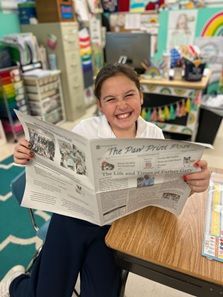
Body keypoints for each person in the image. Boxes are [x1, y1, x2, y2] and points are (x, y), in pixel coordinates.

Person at [0, 63, 211, 297]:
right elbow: (52, 165)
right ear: (100, 105)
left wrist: (193, 184)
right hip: (76, 219)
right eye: (110, 99)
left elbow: (168, 190)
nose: (121, 105)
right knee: (50, 291)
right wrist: (27, 154)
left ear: (141, 97)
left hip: (118, 227)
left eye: (129, 95)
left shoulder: (154, 134)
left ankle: (28, 281)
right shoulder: (85, 129)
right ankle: (15, 284)